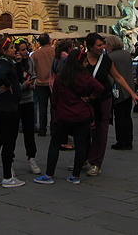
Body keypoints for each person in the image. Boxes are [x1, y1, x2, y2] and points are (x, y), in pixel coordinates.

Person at [34, 48, 104, 185]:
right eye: (84, 61)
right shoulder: (85, 77)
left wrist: (57, 107)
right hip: (81, 114)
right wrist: (89, 98)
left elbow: (54, 97)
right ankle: (75, 176)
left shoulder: (61, 77)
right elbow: (100, 88)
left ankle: (49, 174)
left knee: (54, 143)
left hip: (63, 114)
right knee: (80, 144)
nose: (86, 64)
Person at [83, 33, 138, 177]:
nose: (102, 47)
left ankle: (96, 162)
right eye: (99, 45)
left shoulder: (107, 59)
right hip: (87, 100)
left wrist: (132, 93)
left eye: (103, 44)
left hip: (105, 97)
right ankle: (84, 158)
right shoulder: (81, 60)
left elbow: (116, 77)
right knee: (84, 131)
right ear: (90, 47)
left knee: (102, 130)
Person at [0, 38, 25, 188]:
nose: (14, 50)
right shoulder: (4, 63)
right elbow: (1, 76)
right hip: (7, 107)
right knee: (8, 142)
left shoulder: (2, 61)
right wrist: (9, 86)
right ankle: (8, 177)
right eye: (10, 48)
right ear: (3, 51)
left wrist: (19, 63)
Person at [14, 38, 41, 175]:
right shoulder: (13, 64)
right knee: (12, 134)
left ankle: (31, 159)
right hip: (15, 102)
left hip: (28, 100)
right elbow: (14, 83)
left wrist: (33, 84)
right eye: (22, 50)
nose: (26, 52)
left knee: (29, 132)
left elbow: (34, 75)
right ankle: (10, 161)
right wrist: (24, 85)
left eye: (26, 49)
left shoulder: (30, 61)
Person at [108, 35, 135, 150]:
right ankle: (128, 141)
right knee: (127, 117)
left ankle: (121, 141)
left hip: (118, 89)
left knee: (119, 117)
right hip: (129, 88)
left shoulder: (110, 57)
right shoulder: (126, 54)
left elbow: (111, 75)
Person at [31, 33, 55, 136]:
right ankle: (54, 129)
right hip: (53, 83)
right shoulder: (55, 52)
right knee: (54, 107)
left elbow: (32, 69)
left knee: (42, 107)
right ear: (49, 41)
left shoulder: (35, 54)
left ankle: (42, 129)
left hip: (40, 83)